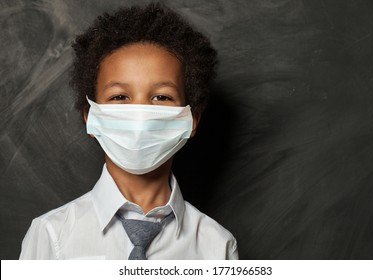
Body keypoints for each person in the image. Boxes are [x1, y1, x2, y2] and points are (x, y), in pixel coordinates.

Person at [19, 2, 238, 260]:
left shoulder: (217, 246)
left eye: (161, 97)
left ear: (191, 120)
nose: (140, 116)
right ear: (91, 118)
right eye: (120, 96)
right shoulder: (51, 235)